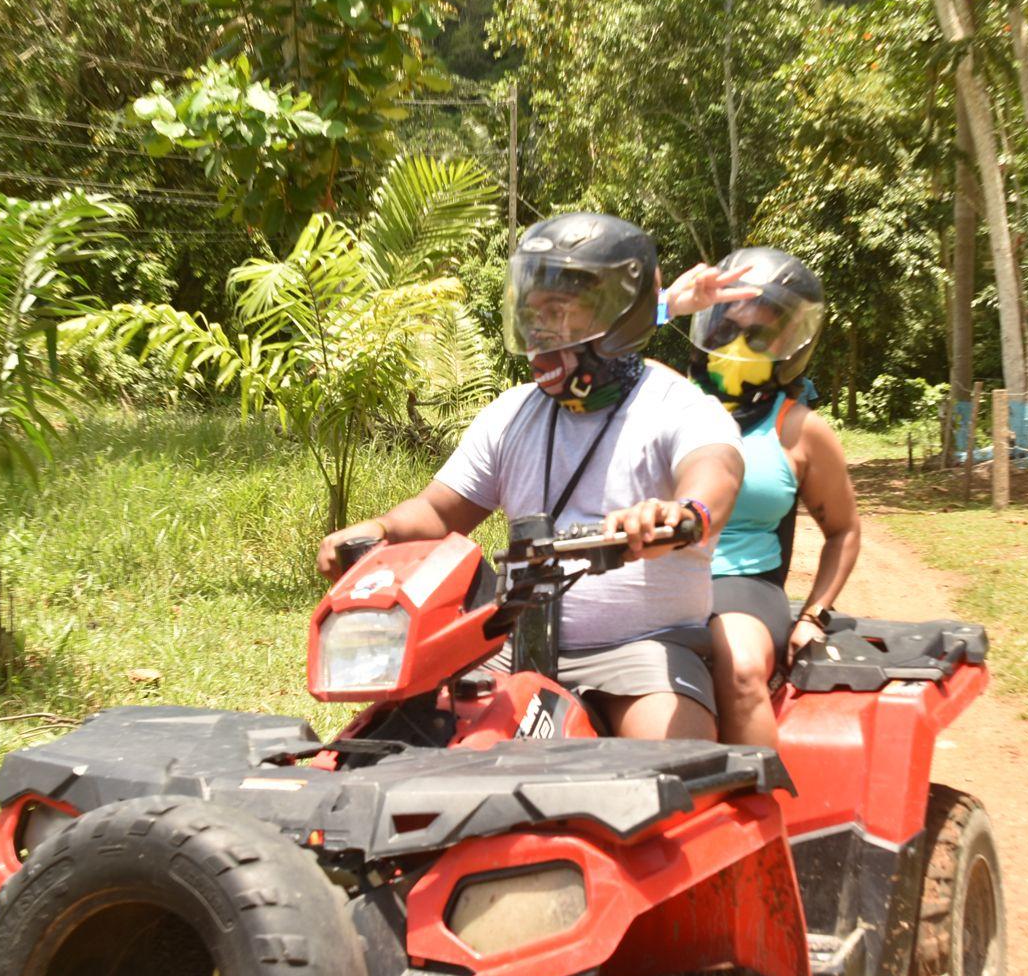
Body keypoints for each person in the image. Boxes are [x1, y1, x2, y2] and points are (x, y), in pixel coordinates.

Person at [317, 213, 757, 740]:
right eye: (533, 313)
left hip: (642, 649)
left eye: (561, 312)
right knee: (394, 746)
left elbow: (716, 473)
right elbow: (439, 511)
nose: (541, 331)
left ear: (621, 316)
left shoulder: (678, 406)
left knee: (670, 766)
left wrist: (680, 515)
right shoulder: (511, 413)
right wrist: (381, 531)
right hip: (509, 645)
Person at [685, 247, 862, 749]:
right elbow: (610, 349)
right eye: (726, 331)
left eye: (758, 336)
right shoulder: (666, 400)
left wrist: (813, 616)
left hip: (740, 584)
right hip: (653, 576)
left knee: (739, 668)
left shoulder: (799, 431)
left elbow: (844, 531)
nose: (738, 346)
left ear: (788, 345)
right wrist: (663, 305)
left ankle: (757, 813)